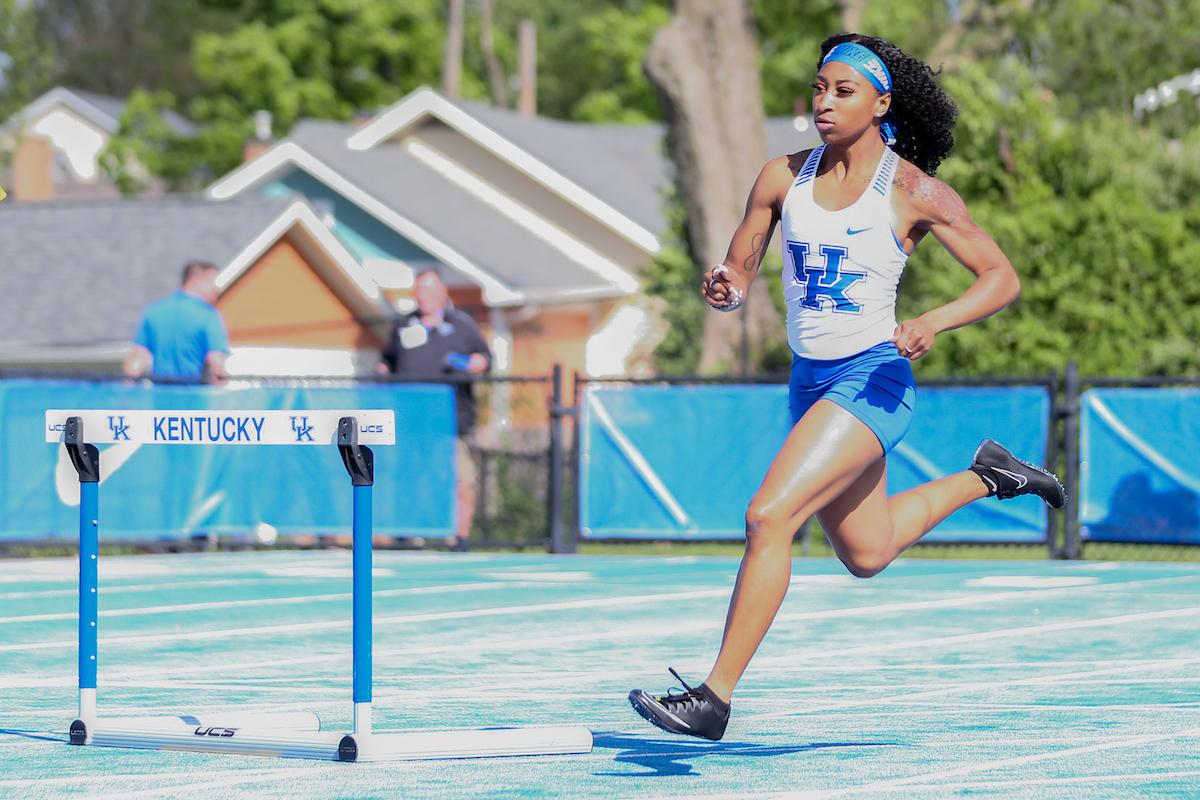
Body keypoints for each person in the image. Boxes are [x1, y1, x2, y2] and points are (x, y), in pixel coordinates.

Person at [627, 33, 1066, 741]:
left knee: (769, 516)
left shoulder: (916, 192)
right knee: (868, 551)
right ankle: (992, 477)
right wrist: (725, 285)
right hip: (811, 384)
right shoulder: (781, 178)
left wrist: (934, 320)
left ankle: (714, 698)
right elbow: (738, 272)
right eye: (818, 88)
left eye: (843, 90)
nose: (824, 102)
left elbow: (1001, 279)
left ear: (881, 103)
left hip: (873, 380)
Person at [380, 267, 492, 546]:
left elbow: (485, 361)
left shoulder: (462, 325)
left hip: (452, 421)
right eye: (419, 291)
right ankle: (408, 535)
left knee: (460, 479)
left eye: (429, 290)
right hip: (410, 421)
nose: (423, 296)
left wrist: (465, 363)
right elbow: (387, 363)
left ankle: (460, 538)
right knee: (409, 478)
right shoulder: (403, 326)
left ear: (443, 293)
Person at [123, 261, 230, 384]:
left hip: (161, 398)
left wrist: (126, 394)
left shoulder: (154, 311)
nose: (218, 289)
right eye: (213, 283)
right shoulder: (209, 316)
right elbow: (217, 364)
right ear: (197, 281)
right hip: (195, 399)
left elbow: (137, 358)